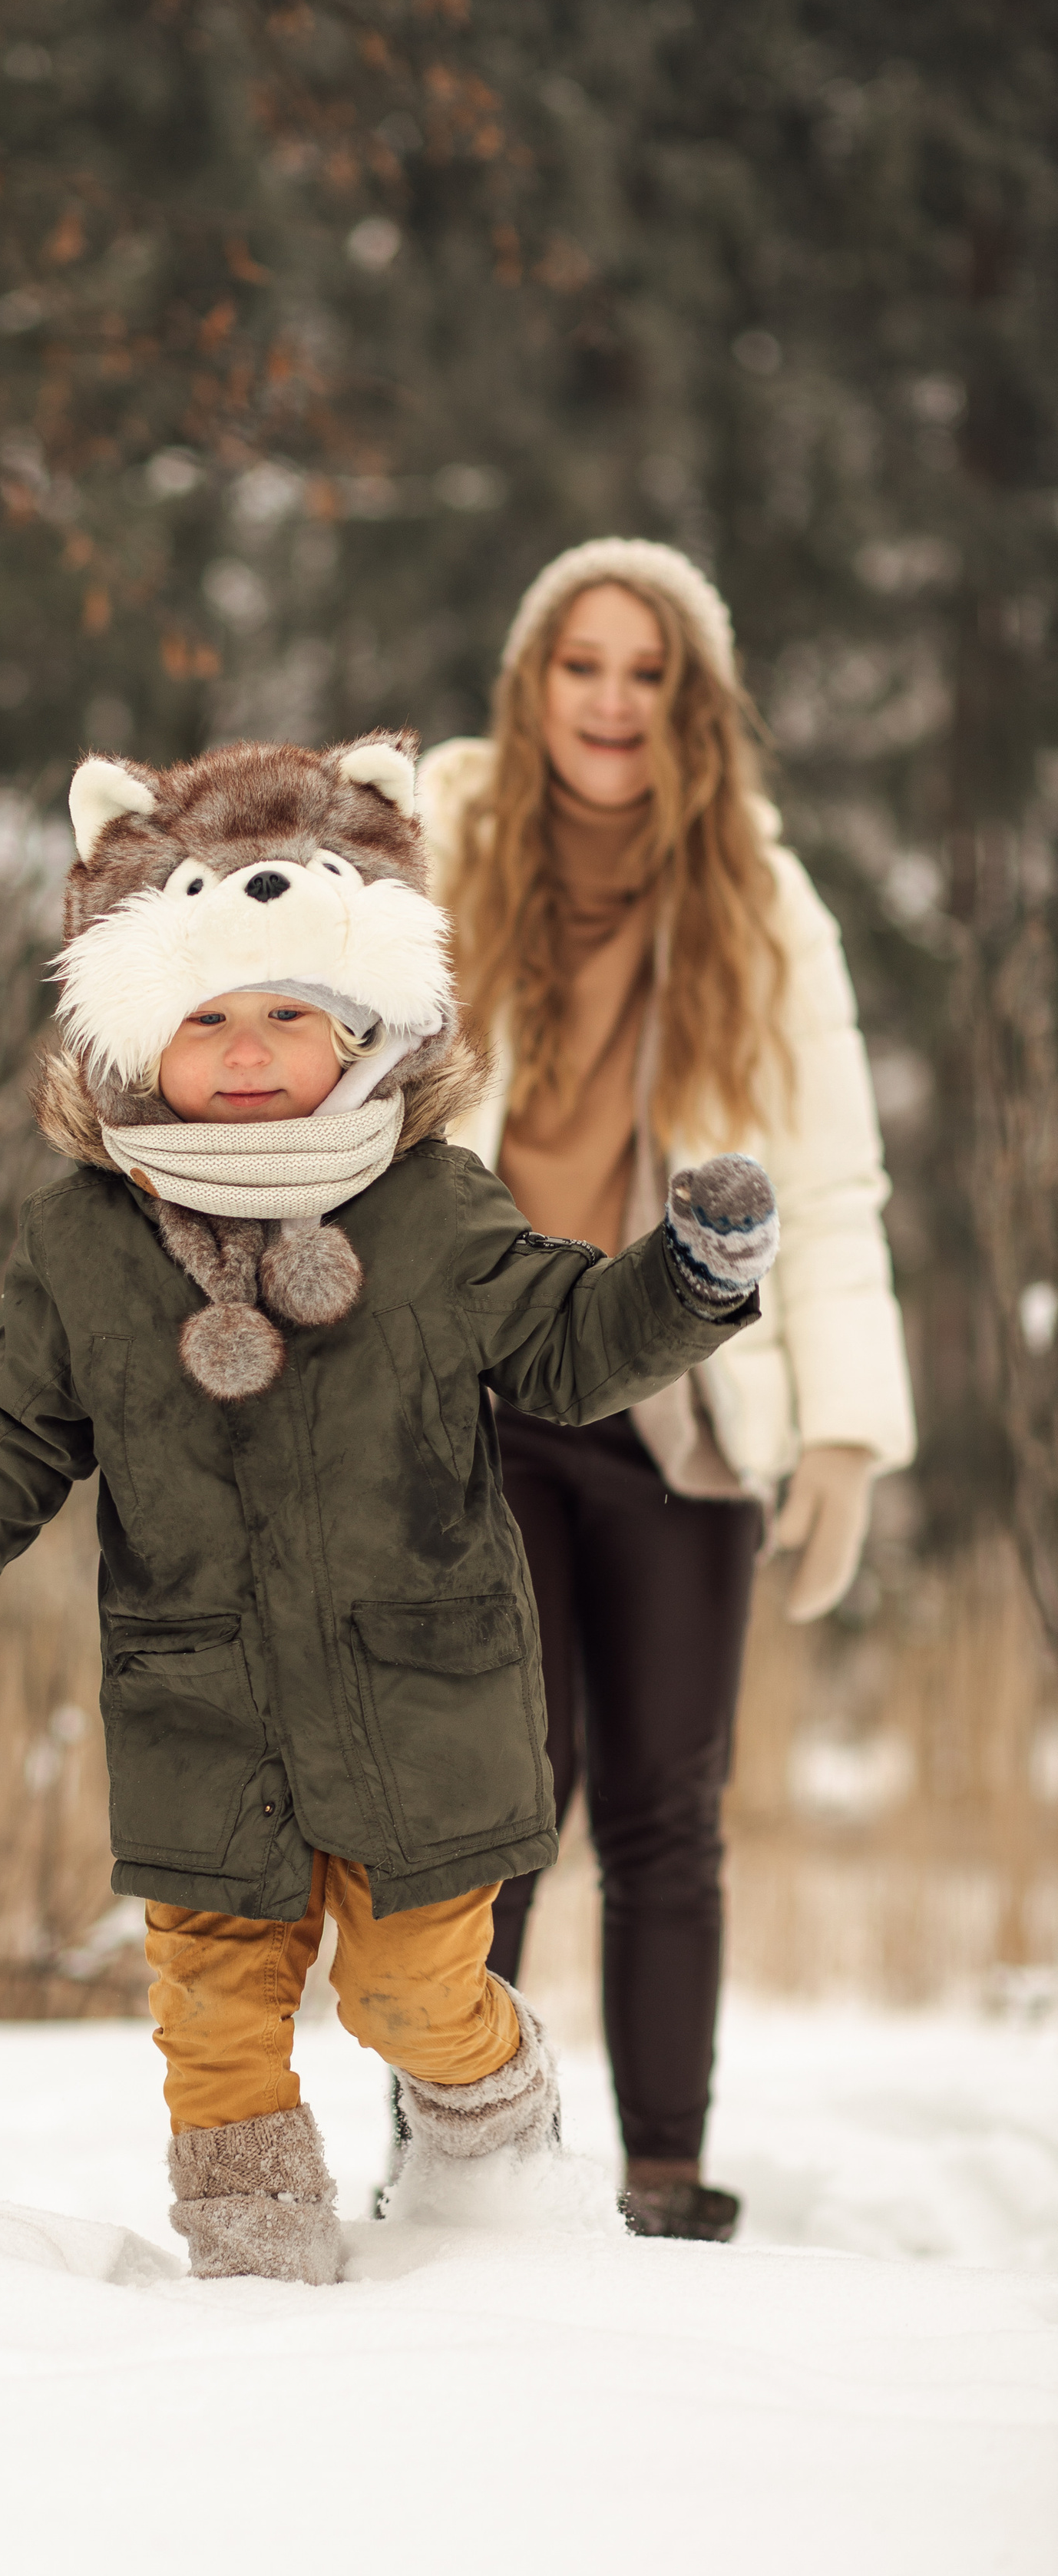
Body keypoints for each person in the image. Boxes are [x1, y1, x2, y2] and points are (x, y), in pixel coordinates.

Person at [0, 729, 777, 2283]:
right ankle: (252, 2287)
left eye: (285, 1013)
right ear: (132, 1036)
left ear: (360, 1026)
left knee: (408, 1994)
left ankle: (494, 2132)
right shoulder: (87, 1243)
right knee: (212, 2013)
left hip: (417, 1702)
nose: (243, 1049)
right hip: (201, 1712)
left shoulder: (428, 1203)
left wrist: (686, 1281)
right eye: (203, 1016)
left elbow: (569, 1344)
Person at [414, 539, 914, 2244]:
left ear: (688, 704)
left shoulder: (762, 902)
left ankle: (658, 2179)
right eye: (581, 665)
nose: (610, 701)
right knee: (498, 1798)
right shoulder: (432, 851)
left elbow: (831, 1181)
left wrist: (843, 1429)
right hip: (479, 1393)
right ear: (529, 683)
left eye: (645, 672)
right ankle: (455, 2156)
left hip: (685, 1404)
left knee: (661, 1808)